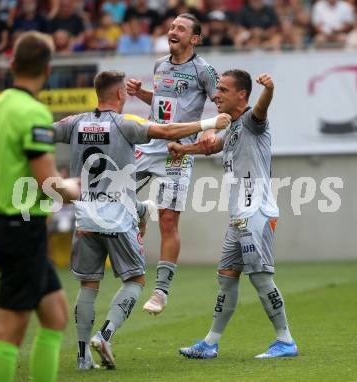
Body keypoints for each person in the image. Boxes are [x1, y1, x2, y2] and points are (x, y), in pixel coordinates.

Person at [53, 70, 230, 370]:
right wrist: (210, 123)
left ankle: (82, 358)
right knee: (135, 280)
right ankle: (105, 335)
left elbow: (39, 133)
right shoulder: (125, 125)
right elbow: (169, 132)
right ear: (121, 94)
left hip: (85, 219)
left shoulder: (74, 123)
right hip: (117, 220)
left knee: (88, 286)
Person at [0, 31, 80, 382]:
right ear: (47, 71)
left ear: (12, 64)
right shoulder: (33, 113)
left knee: (56, 316)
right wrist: (76, 189)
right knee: (10, 329)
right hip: (22, 227)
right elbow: (47, 180)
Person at [168, 70, 299, 359]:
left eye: (223, 90)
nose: (216, 95)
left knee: (261, 278)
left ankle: (285, 340)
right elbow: (212, 145)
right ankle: (210, 343)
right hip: (239, 216)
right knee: (227, 277)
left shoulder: (252, 121)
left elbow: (262, 110)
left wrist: (269, 89)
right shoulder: (235, 127)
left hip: (256, 214)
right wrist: (184, 149)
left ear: (242, 95)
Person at [127, 13, 219, 315]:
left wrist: (209, 130)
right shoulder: (160, 65)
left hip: (177, 151)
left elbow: (222, 106)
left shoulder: (204, 71)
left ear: (195, 39)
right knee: (115, 191)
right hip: (150, 143)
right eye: (171, 27)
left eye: (181, 28)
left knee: (168, 220)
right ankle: (140, 210)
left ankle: (161, 292)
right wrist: (141, 93)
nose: (172, 31)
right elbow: (163, 101)